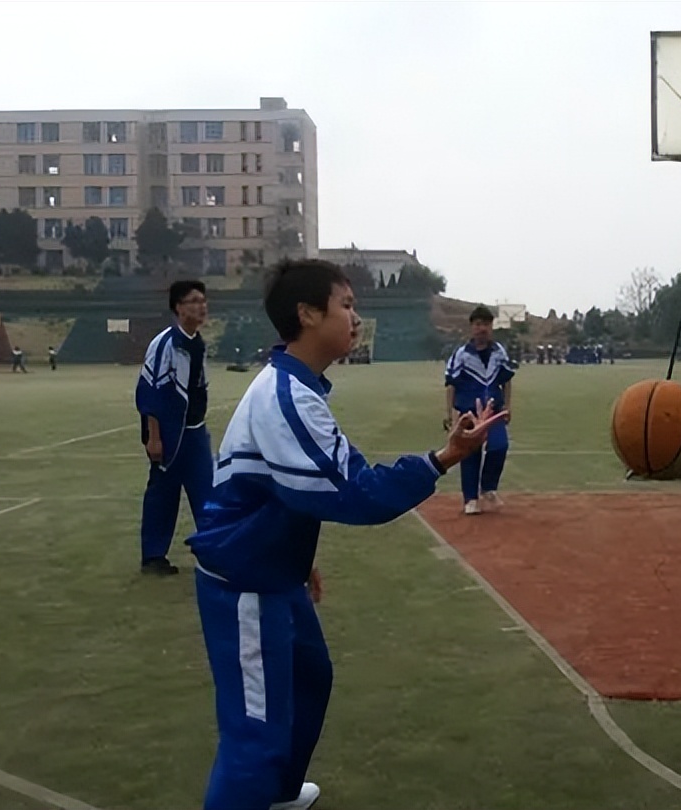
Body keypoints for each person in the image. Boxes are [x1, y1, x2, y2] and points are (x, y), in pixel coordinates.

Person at [185, 259, 505, 810]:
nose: (356, 317)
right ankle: (259, 787)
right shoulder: (286, 398)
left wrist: (295, 548)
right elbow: (355, 492)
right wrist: (444, 457)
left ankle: (280, 794)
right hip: (245, 581)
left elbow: (278, 486)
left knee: (311, 678)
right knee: (253, 736)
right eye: (347, 305)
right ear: (307, 314)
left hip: (273, 563)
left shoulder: (296, 388)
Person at [134, 280, 213, 576]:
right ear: (178, 308)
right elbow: (150, 393)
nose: (201, 307)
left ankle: (211, 551)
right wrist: (154, 438)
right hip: (168, 433)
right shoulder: (164, 344)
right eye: (193, 301)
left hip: (195, 431)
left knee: (207, 492)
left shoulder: (197, 343)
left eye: (203, 301)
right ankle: (153, 556)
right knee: (162, 495)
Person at [444, 305, 514, 515]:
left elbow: (507, 380)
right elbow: (450, 384)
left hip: (493, 412)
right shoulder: (461, 355)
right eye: (477, 324)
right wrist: (449, 414)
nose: (481, 328)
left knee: (499, 446)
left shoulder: (499, 352)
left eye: (486, 324)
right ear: (471, 327)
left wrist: (508, 406)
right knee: (470, 454)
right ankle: (470, 499)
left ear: (491, 326)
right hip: (469, 414)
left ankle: (488, 487)